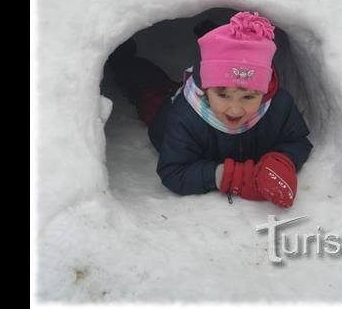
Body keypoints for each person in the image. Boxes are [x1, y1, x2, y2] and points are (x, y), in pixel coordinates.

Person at [108, 11, 313, 208]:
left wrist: (281, 161)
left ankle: (219, 40)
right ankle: (125, 61)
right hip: (162, 116)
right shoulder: (184, 116)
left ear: (265, 91)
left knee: (224, 68)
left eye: (249, 97)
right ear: (205, 90)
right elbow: (174, 172)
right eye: (223, 95)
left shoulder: (279, 106)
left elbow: (297, 141)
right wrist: (233, 176)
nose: (235, 110)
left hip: (209, 84)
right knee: (150, 92)